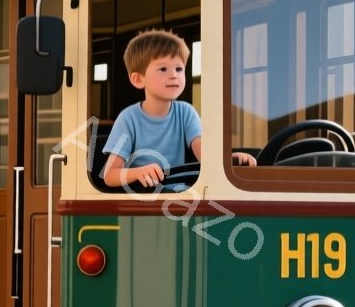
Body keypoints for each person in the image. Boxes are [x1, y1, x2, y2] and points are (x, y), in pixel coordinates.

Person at [101, 30, 254, 191]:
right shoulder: (128, 118)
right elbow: (109, 176)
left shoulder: (186, 112)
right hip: (143, 199)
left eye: (179, 69)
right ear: (138, 79)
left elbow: (205, 156)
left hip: (180, 196)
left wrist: (228, 161)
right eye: (163, 69)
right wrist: (138, 172)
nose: (174, 76)